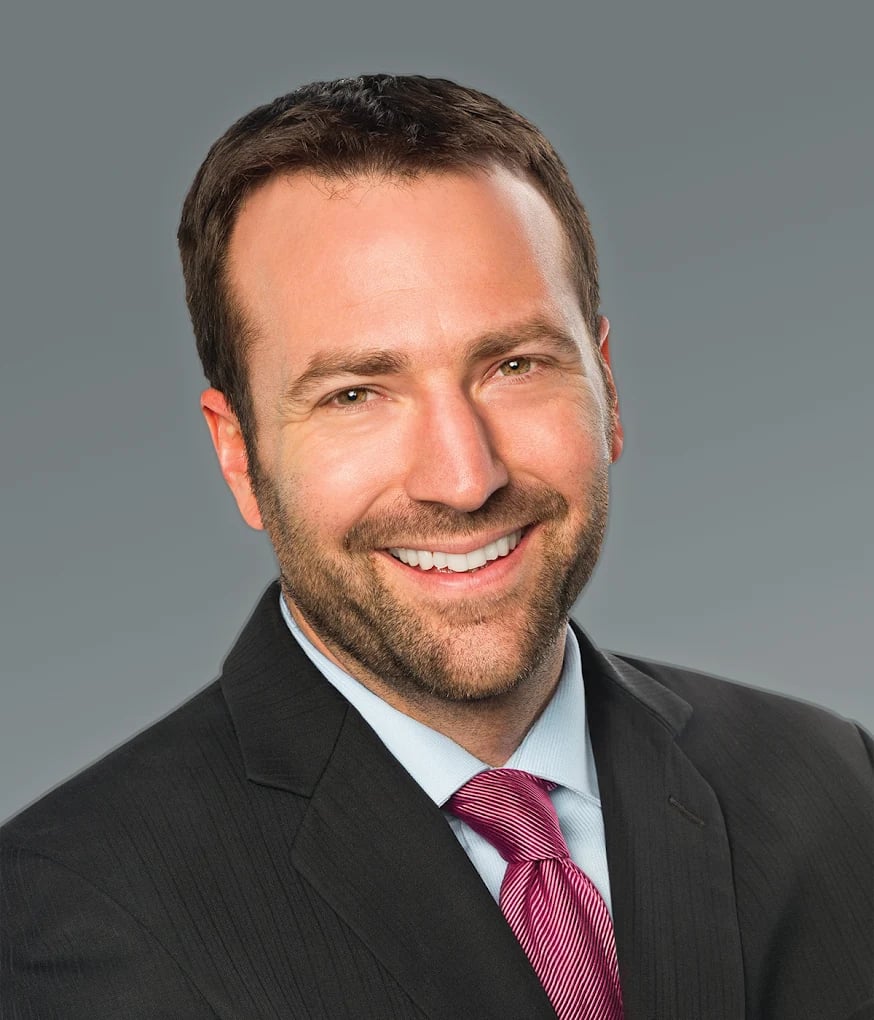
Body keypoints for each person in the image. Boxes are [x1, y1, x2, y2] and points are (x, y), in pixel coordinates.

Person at [1, 74, 871, 1020]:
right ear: (240, 454)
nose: (465, 478)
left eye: (515, 365)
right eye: (355, 394)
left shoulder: (834, 788)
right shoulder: (66, 919)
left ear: (608, 389)